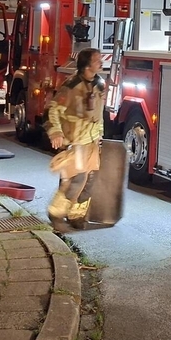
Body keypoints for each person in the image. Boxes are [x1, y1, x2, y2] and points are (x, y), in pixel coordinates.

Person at [46, 48, 106, 229]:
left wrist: (100, 134)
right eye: (97, 60)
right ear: (87, 65)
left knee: (90, 180)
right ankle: (56, 213)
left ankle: (76, 216)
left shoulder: (99, 84)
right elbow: (53, 110)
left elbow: (98, 113)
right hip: (76, 141)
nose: (101, 63)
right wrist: (55, 132)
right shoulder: (71, 86)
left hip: (92, 141)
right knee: (76, 179)